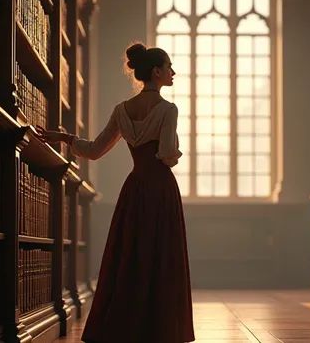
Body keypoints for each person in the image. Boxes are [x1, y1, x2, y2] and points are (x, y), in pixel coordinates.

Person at [36, 42, 195, 343]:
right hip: (161, 188)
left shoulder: (122, 110)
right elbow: (167, 154)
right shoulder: (167, 109)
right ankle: (158, 328)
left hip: (134, 188)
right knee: (161, 254)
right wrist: (176, 153)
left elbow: (94, 150)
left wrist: (65, 137)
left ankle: (125, 325)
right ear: (157, 72)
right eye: (169, 67)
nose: (173, 72)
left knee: (131, 255)